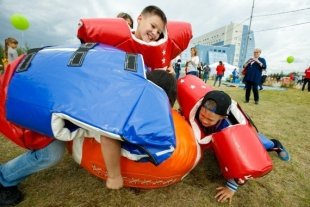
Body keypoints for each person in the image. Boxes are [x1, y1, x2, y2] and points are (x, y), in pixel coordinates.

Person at [99, 5, 170, 190]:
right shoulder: (120, 40)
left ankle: (141, 166)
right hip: (115, 98)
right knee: (110, 131)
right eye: (153, 26)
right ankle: (114, 176)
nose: (154, 33)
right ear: (140, 19)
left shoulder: (153, 50)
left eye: (159, 31)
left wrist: (164, 72)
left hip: (138, 99)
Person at [193, 90, 290, 204]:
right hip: (219, 136)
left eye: (210, 119)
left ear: (222, 117)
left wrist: (231, 187)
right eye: (202, 115)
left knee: (261, 144)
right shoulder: (199, 111)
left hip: (244, 138)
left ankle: (275, 144)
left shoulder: (230, 130)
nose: (204, 120)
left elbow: (242, 162)